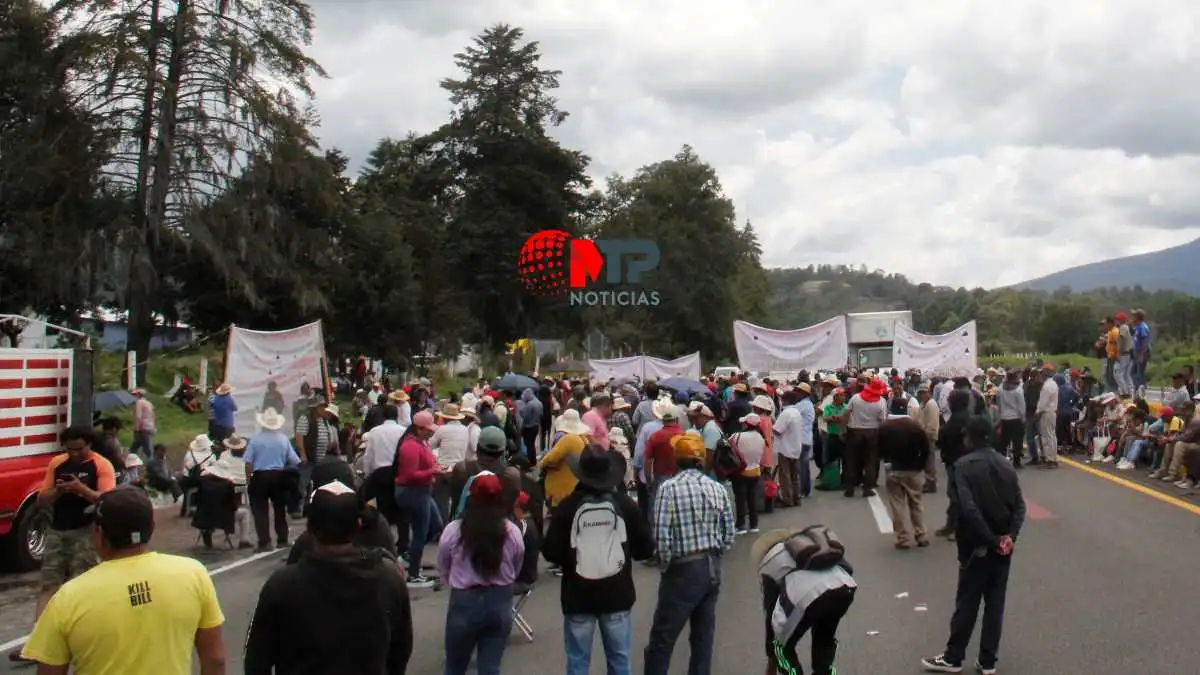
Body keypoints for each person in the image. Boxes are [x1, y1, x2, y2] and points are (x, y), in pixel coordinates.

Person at [19, 486, 227, 674]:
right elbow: (215, 660)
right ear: (151, 529)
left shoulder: (68, 595)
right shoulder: (193, 573)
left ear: (98, 533)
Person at [245, 480, 412, 675]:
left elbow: (256, 660)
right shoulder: (390, 580)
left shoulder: (282, 584)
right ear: (358, 525)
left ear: (310, 527)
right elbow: (400, 652)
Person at [922, 417, 1026, 675]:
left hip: (976, 544)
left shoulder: (963, 466)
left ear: (969, 437)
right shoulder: (1004, 464)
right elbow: (1020, 505)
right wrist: (1009, 536)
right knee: (995, 604)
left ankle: (954, 656)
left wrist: (989, 539)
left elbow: (967, 508)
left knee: (967, 602)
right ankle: (988, 660)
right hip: (1004, 543)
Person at [9, 426, 116, 665]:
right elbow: (41, 499)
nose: (74, 454)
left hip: (87, 532)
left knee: (81, 587)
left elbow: (108, 500)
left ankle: (82, 638)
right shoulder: (58, 463)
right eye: (69, 450)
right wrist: (58, 491)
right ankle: (38, 641)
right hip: (57, 530)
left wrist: (81, 490)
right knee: (49, 585)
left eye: (79, 449)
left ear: (89, 444)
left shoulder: (101, 465)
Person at [543, 446, 655, 675]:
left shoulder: (567, 507)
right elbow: (645, 549)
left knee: (577, 663)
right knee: (619, 661)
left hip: (577, 596)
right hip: (617, 594)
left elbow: (550, 552)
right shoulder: (625, 505)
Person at [644, 433, 735, 675]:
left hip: (682, 568)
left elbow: (661, 536)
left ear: (677, 459)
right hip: (711, 566)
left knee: (662, 639)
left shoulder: (669, 488)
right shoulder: (717, 488)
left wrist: (665, 565)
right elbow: (729, 534)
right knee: (703, 637)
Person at [437, 471, 525, 675]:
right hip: (500, 601)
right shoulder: (512, 531)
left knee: (454, 667)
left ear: (470, 497)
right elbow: (516, 565)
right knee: (491, 667)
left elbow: (444, 564)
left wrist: (456, 580)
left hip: (464, 602)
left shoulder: (454, 530)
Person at [754, 526, 857, 675]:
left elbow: (772, 618)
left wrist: (772, 662)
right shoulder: (809, 546)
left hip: (807, 595)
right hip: (844, 587)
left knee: (781, 648)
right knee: (825, 641)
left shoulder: (768, 564)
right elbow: (847, 567)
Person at [394, 410, 443, 588]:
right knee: (420, 532)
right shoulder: (410, 447)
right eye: (427, 429)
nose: (431, 432)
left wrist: (433, 470)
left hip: (422, 490)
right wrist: (433, 472)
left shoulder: (422, 443)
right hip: (412, 491)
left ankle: (409, 558)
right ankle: (413, 574)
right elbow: (408, 475)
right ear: (418, 428)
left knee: (435, 526)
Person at [243, 408, 302, 552]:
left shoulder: (255, 440)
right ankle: (282, 539)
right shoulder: (283, 439)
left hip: (260, 476)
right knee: (279, 509)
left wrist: (248, 479)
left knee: (260, 510)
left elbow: (248, 463)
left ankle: (264, 542)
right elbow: (294, 460)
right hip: (278, 475)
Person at [880, 416, 931, 549]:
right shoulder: (915, 427)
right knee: (916, 503)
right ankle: (921, 534)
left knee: (897, 505)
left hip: (894, 469)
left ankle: (903, 538)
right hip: (914, 469)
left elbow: (879, 449)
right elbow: (926, 448)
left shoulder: (886, 428)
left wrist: (887, 460)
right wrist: (921, 465)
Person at [730, 414, 766, 535]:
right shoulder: (761, 438)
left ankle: (741, 525)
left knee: (740, 499)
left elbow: (728, 446)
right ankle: (754, 524)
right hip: (755, 471)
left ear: (746, 424)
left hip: (740, 472)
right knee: (752, 498)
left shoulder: (737, 436)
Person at [130, 388, 156, 459]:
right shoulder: (149, 403)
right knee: (135, 446)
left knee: (147, 449)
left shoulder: (139, 402)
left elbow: (138, 416)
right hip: (149, 427)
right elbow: (152, 416)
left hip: (143, 428)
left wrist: (136, 429)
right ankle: (131, 460)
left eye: (135, 395)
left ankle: (152, 462)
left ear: (139, 395)